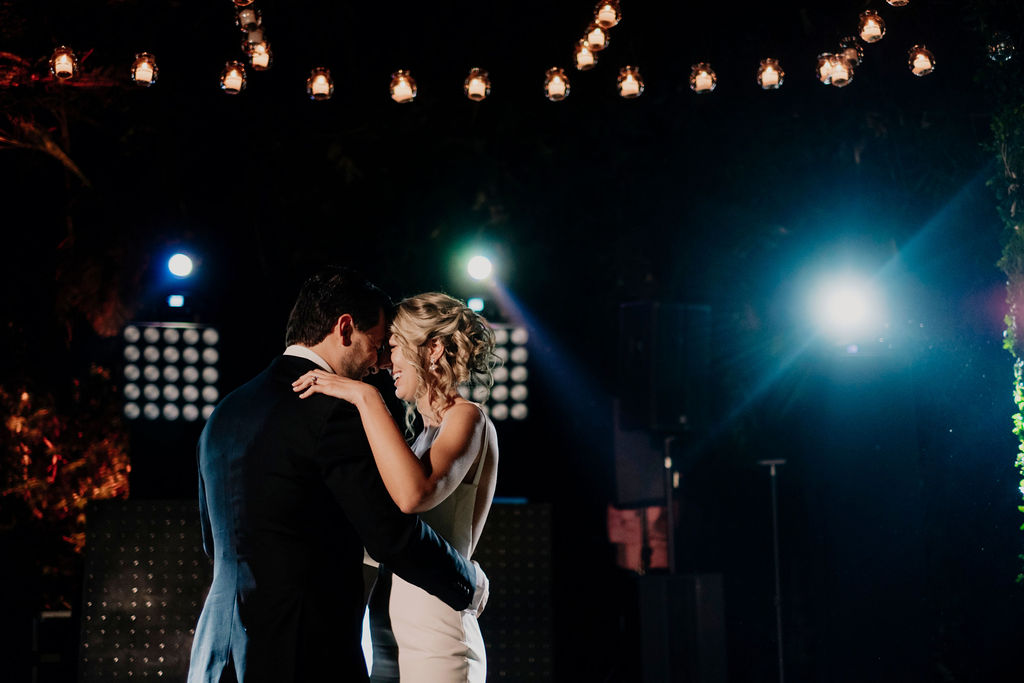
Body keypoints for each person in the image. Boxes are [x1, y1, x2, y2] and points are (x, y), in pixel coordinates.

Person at [187, 269, 487, 683]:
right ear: (345, 328)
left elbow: (212, 540)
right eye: (378, 346)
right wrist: (465, 581)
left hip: (218, 651)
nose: (380, 364)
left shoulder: (224, 413)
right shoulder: (333, 412)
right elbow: (388, 533)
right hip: (304, 648)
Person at [292, 292, 500, 683]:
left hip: (437, 637)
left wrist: (364, 396)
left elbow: (413, 495)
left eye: (394, 348)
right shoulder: (419, 439)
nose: (386, 362)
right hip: (384, 636)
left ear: (434, 349)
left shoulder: (467, 418)